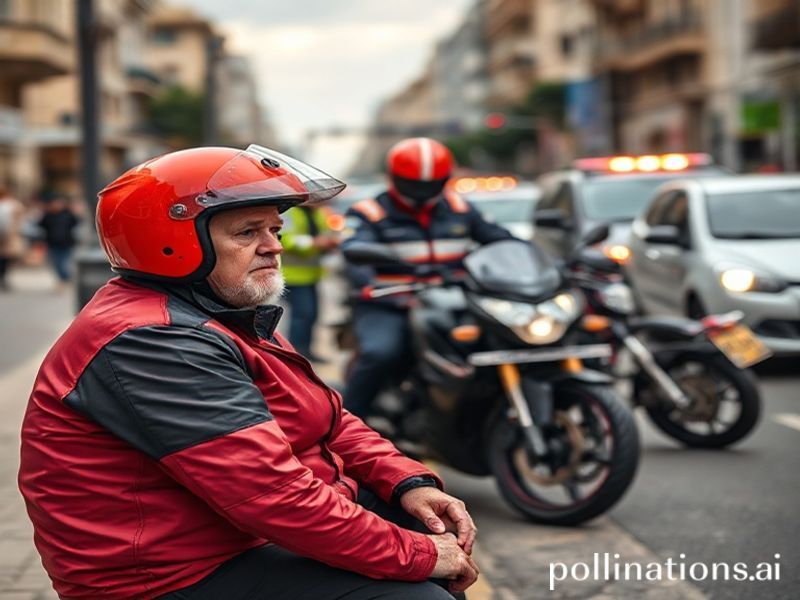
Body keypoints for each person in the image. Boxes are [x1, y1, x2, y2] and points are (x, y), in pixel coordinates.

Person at [18, 145, 479, 600]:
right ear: (173, 241)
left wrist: (408, 481)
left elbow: (332, 421)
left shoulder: (222, 310)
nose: (274, 246)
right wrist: (417, 555)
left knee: (420, 527)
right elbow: (270, 496)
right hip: (167, 575)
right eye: (247, 232)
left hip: (231, 539)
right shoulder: (153, 340)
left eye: (275, 229)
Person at [341, 138, 514, 419]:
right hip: (390, 302)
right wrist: (370, 285)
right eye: (413, 183)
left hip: (456, 301)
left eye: (431, 183)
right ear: (394, 177)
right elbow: (353, 253)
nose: (422, 191)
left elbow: (501, 241)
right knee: (381, 352)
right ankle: (344, 428)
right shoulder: (369, 212)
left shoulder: (461, 209)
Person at [280, 203, 339, 361]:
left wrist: (330, 240)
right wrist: (314, 243)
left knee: (311, 315)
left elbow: (326, 233)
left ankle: (305, 351)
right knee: (302, 315)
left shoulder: (319, 212)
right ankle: (296, 353)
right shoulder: (289, 211)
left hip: (312, 274)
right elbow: (284, 239)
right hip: (293, 275)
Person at [37, 196, 80, 289]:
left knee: (63, 262)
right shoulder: (48, 215)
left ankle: (63, 279)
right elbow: (40, 225)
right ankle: (64, 279)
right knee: (56, 263)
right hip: (52, 243)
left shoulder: (67, 214)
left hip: (66, 242)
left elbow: (76, 222)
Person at [0, 187, 25, 291]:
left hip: (7, 235)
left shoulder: (11, 205)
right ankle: (3, 276)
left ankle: (3, 276)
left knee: (4, 257)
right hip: (9, 235)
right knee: (5, 258)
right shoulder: (13, 205)